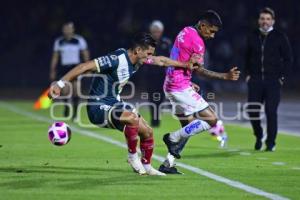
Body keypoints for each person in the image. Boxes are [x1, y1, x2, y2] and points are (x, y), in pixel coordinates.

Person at [49, 33, 199, 176]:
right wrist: (59, 84)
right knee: (132, 118)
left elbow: (162, 61)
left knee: (147, 131)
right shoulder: (115, 59)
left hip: (115, 103)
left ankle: (147, 166)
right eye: (148, 54)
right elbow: (84, 67)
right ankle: (133, 157)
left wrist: (185, 67)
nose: (150, 57)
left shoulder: (139, 59)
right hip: (97, 106)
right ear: (138, 50)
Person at [159, 10, 240, 174]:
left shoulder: (186, 30)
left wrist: (189, 80)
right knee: (212, 119)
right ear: (203, 25)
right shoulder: (198, 42)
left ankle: (168, 164)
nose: (212, 36)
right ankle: (171, 137)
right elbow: (201, 71)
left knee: (189, 128)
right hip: (179, 86)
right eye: (211, 31)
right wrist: (225, 76)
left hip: (171, 83)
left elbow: (181, 59)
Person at [245, 7, 293, 151]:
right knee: (252, 111)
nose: (265, 21)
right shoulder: (252, 35)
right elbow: (246, 57)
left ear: (273, 21)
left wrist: (282, 77)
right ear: (259, 21)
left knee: (271, 112)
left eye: (267, 19)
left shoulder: (280, 36)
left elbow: (288, 59)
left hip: (273, 81)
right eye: (262, 19)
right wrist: (247, 74)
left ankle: (270, 143)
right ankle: (259, 135)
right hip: (255, 80)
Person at [49, 22, 90, 121]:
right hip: (64, 68)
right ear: (63, 30)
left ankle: (75, 114)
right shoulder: (59, 41)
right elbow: (55, 57)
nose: (67, 30)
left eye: (69, 28)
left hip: (75, 67)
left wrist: (88, 67)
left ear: (73, 29)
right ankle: (67, 107)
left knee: (76, 91)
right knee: (65, 91)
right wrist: (52, 70)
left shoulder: (79, 40)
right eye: (65, 28)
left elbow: (85, 54)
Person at [144, 20, 172, 127]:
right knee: (152, 98)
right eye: (154, 31)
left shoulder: (166, 42)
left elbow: (171, 58)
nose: (156, 33)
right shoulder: (146, 43)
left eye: (158, 31)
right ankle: (154, 120)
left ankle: (159, 116)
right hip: (150, 75)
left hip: (163, 75)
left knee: (161, 97)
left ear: (161, 31)